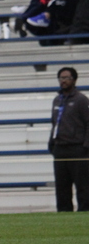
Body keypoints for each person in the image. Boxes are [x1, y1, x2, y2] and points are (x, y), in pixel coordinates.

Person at [48, 67, 89, 212]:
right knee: (62, 187)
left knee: (83, 186)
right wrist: (52, 143)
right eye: (61, 78)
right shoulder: (57, 100)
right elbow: (55, 123)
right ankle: (64, 215)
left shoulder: (81, 100)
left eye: (67, 78)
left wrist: (85, 146)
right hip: (60, 148)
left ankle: (85, 214)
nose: (63, 81)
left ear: (74, 80)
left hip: (77, 148)